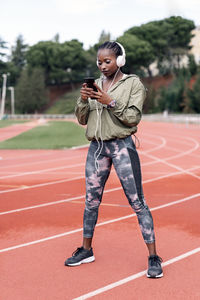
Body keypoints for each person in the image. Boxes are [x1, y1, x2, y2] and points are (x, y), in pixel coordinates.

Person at [65, 41, 163, 278]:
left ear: (120, 60)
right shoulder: (96, 84)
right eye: (99, 62)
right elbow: (82, 119)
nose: (102, 66)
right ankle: (86, 250)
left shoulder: (133, 84)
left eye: (107, 61)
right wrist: (83, 99)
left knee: (137, 202)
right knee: (90, 201)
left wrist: (109, 101)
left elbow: (132, 118)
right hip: (96, 148)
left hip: (122, 147)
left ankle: (153, 257)